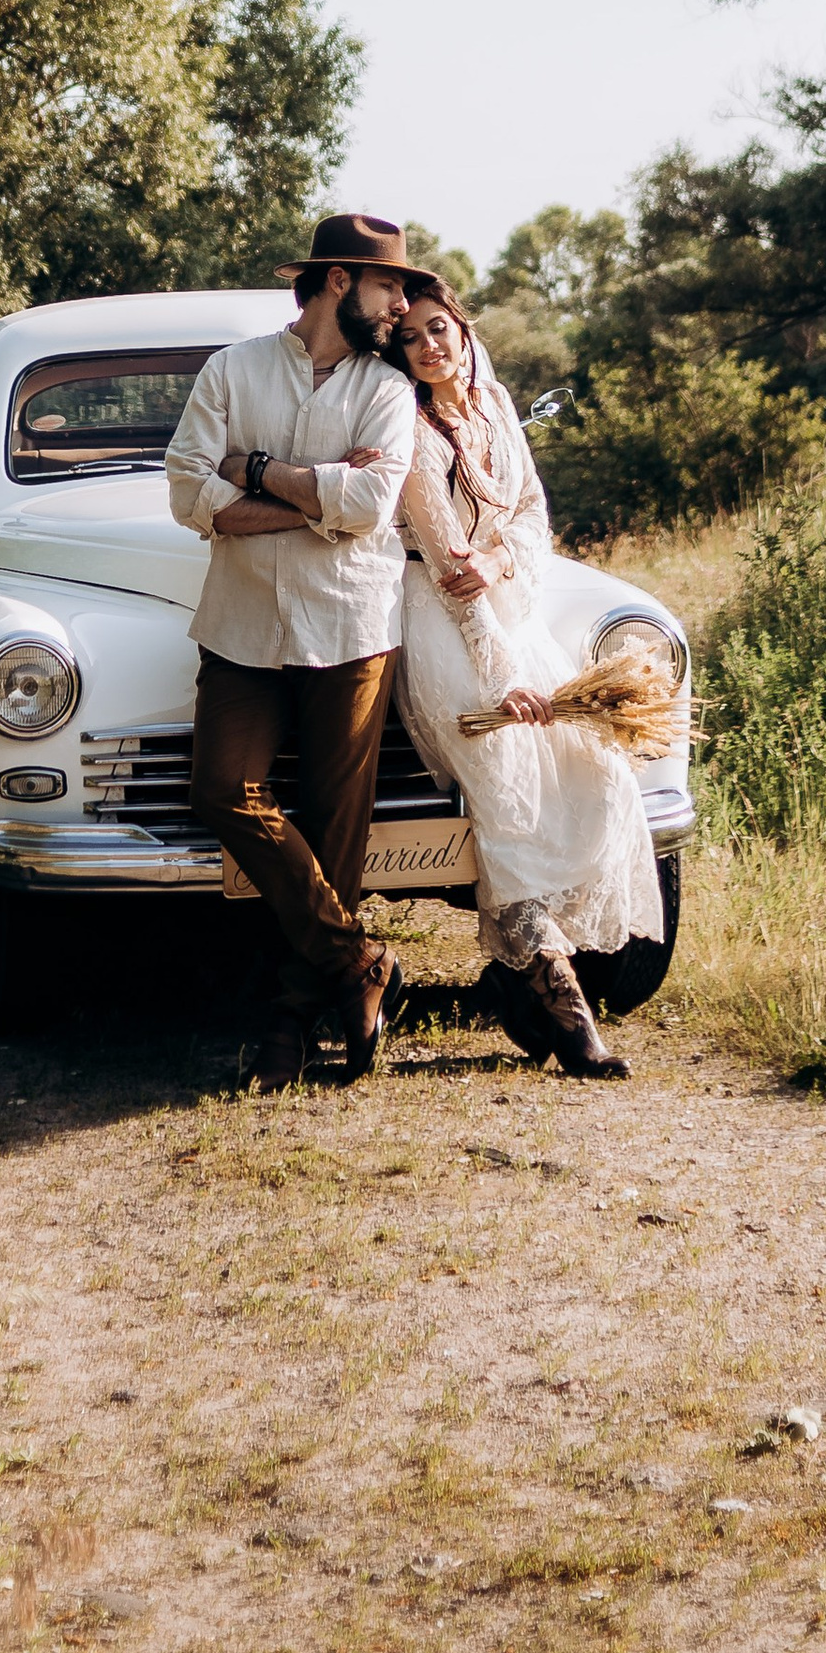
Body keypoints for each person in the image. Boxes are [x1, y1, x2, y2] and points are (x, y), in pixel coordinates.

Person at [166, 213, 428, 1092]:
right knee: (219, 789)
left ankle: (288, 1019)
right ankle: (358, 960)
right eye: (390, 285)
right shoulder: (232, 369)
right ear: (340, 282)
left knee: (336, 821)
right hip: (240, 625)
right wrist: (317, 501)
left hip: (351, 627)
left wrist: (256, 471)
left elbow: (374, 501)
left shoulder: (386, 389)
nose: (402, 303)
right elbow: (185, 494)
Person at [384, 283, 659, 1080]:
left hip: (514, 609)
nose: (430, 347)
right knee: (507, 791)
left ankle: (520, 967)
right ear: (400, 357)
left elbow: (532, 516)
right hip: (441, 626)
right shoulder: (407, 427)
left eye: (439, 330)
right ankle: (564, 1006)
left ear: (464, 332)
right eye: (411, 341)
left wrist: (504, 560)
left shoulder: (497, 403)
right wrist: (504, 684)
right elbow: (447, 574)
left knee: (597, 767)